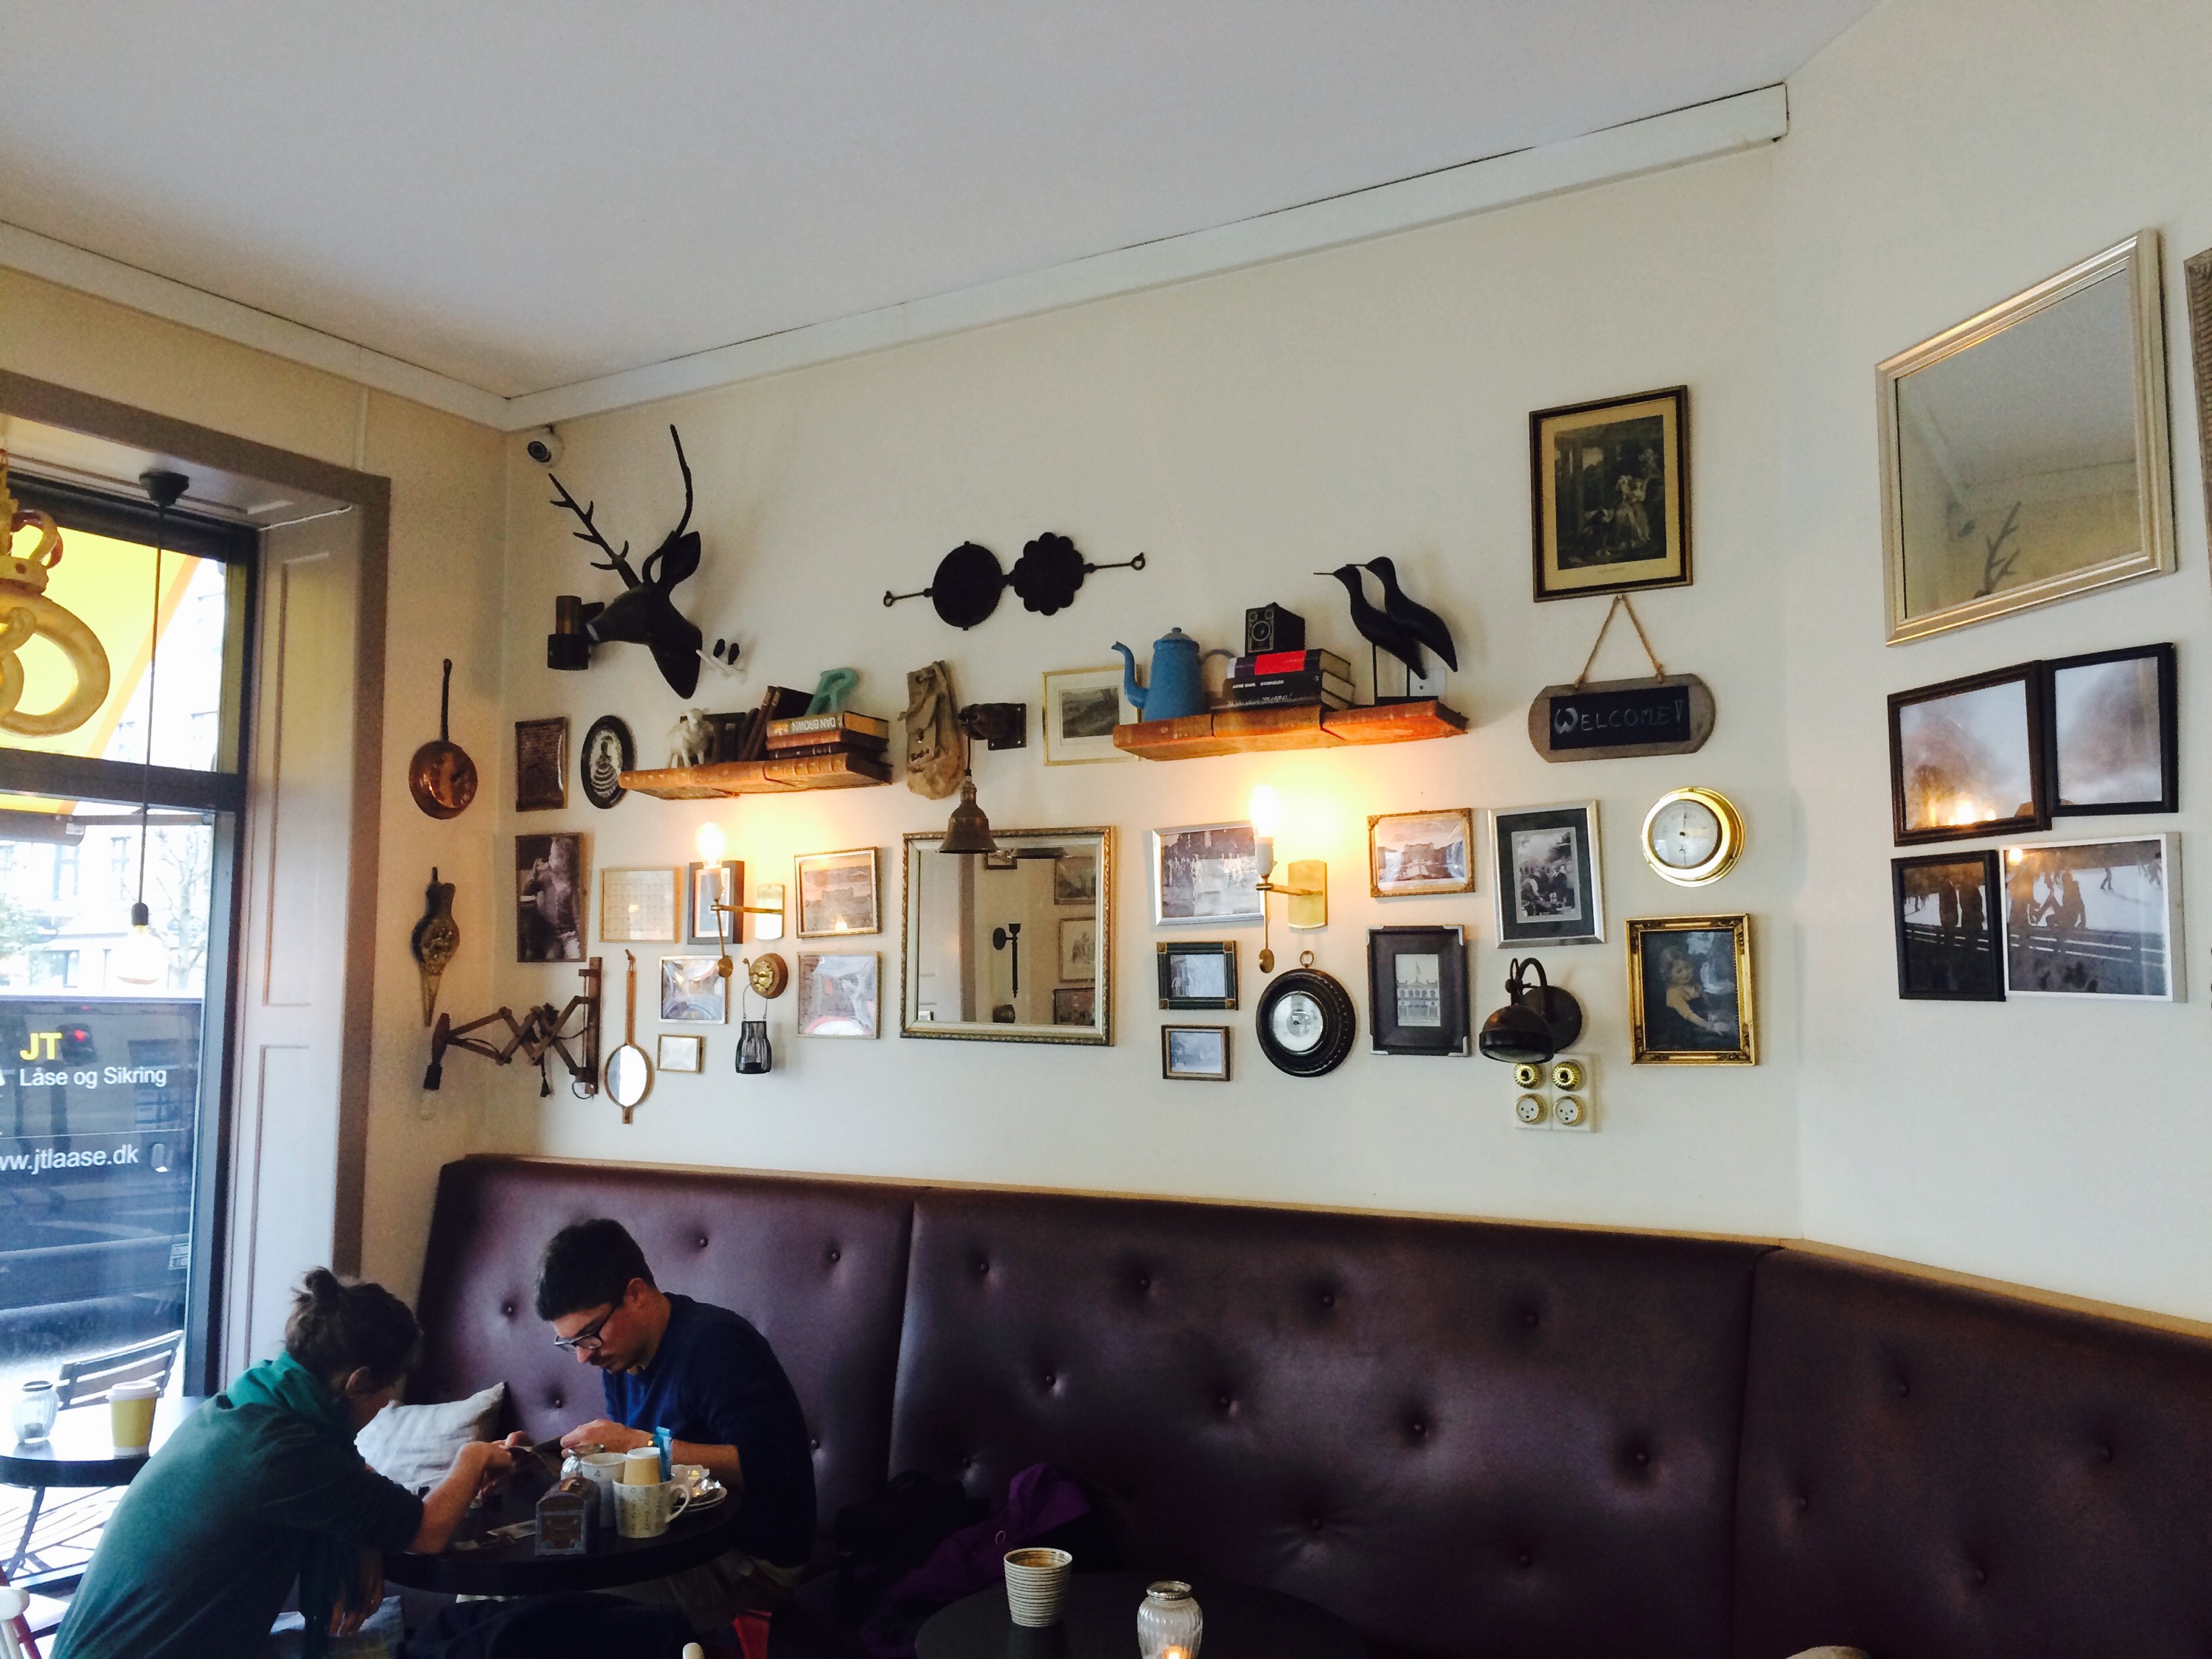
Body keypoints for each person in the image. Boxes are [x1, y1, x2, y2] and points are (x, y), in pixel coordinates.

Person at [56, 1270, 514, 1659]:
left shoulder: (249, 1402)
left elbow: (352, 1482)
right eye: (388, 1386)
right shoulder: (284, 1454)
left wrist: (364, 1536)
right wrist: (473, 1456)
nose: (387, 1402)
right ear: (357, 1383)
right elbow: (428, 1531)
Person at [536, 1219, 816, 1638]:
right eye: (571, 1344)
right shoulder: (619, 1358)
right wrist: (532, 1461)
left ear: (635, 1294)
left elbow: (767, 1469)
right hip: (672, 1546)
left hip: (748, 1566)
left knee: (549, 1614)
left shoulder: (715, 1345)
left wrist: (639, 1444)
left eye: (589, 1335)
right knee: (499, 1600)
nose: (583, 1356)